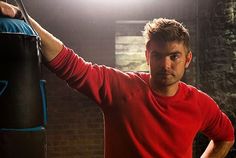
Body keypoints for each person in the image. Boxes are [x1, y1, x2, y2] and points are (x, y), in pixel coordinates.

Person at [0, 1, 234, 158]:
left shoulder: (200, 104)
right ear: (147, 55)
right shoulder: (121, 87)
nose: (165, 65)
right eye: (157, 56)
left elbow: (226, 137)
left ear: (187, 58)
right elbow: (70, 65)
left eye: (174, 56)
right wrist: (21, 17)